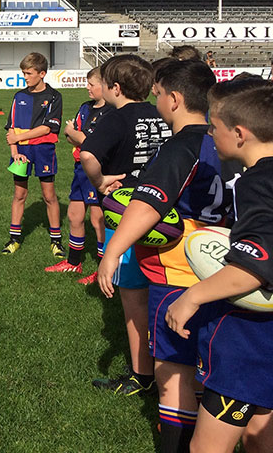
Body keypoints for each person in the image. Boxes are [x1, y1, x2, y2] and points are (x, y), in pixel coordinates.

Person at [97, 60, 238, 452]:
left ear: (173, 99)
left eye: (157, 94)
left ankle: (178, 443)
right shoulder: (229, 141)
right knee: (207, 364)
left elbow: (148, 206)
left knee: (172, 372)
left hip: (178, 272)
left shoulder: (179, 146)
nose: (155, 100)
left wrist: (112, 252)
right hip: (226, 269)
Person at [166, 77, 273, 453]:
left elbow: (256, 262)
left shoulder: (257, 183)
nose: (210, 134)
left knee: (206, 448)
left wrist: (192, 296)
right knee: (261, 433)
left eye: (214, 126)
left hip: (249, 339)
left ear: (240, 134)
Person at [80, 54, 172, 395]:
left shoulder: (115, 118)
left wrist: (101, 180)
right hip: (168, 215)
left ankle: (141, 376)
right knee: (165, 292)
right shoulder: (163, 113)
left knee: (134, 298)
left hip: (130, 214)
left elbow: (88, 154)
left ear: (114, 88)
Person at [45, 66, 109, 284]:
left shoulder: (111, 112)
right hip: (80, 168)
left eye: (92, 84)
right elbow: (72, 136)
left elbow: (97, 143)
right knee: (74, 215)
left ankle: (103, 269)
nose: (87, 88)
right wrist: (76, 135)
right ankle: (73, 263)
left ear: (106, 85)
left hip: (98, 170)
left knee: (98, 219)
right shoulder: (85, 108)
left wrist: (77, 135)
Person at [1, 52, 63, 258]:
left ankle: (56, 241)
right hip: (21, 152)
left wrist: (20, 137)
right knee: (19, 195)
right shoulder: (19, 96)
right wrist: (15, 151)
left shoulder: (54, 97)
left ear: (42, 73)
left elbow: (47, 129)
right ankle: (14, 239)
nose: (25, 77)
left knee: (49, 196)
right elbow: (11, 129)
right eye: (23, 73)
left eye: (29, 73)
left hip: (43, 151)